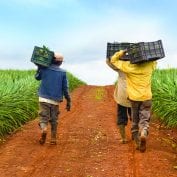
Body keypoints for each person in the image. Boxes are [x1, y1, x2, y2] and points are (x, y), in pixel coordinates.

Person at [110, 50, 157, 152]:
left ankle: (138, 143)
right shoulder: (149, 66)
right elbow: (155, 61)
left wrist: (122, 52)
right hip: (147, 97)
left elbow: (113, 60)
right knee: (144, 119)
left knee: (134, 121)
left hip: (134, 99)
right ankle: (144, 132)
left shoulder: (128, 67)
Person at [35, 52, 71, 145]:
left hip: (43, 98)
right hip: (55, 100)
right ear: (60, 63)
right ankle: (53, 139)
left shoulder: (44, 69)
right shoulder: (63, 73)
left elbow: (37, 77)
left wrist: (39, 67)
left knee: (43, 118)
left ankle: (44, 129)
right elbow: (65, 88)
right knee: (54, 120)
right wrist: (68, 100)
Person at [106, 58, 131, 144]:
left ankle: (123, 138)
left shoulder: (121, 67)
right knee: (135, 117)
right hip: (135, 96)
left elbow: (109, 62)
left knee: (121, 116)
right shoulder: (137, 67)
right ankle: (136, 136)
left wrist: (109, 57)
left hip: (122, 96)